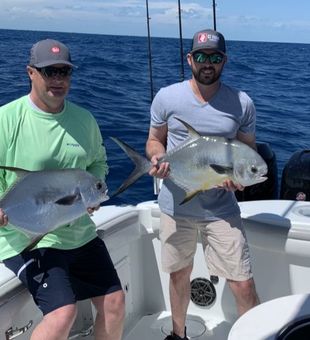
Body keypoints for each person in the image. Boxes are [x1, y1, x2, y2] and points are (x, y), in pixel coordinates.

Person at [0, 39, 125, 340]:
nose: (58, 80)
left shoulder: (84, 120)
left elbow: (99, 164)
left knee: (115, 303)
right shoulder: (7, 119)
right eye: (49, 72)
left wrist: (94, 189)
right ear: (31, 72)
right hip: (25, 237)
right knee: (62, 313)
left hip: (78, 230)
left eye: (64, 73)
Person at [146, 29, 260, 340]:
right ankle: (177, 334)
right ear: (189, 59)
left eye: (214, 57)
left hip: (221, 208)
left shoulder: (242, 103)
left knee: (242, 281)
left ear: (224, 60)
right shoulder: (168, 97)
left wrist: (239, 183)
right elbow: (155, 141)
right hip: (175, 204)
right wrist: (158, 160)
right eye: (200, 56)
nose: (206, 63)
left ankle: (258, 336)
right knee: (179, 274)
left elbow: (246, 153)